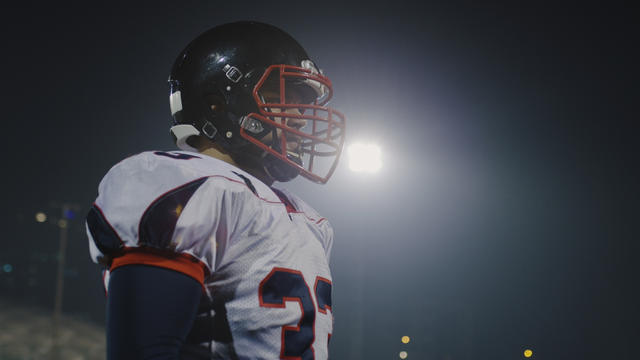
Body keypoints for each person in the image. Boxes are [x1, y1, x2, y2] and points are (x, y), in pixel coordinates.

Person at [85, 21, 346, 359]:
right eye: (283, 97)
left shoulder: (310, 223)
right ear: (218, 103)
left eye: (303, 102)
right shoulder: (188, 185)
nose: (299, 117)